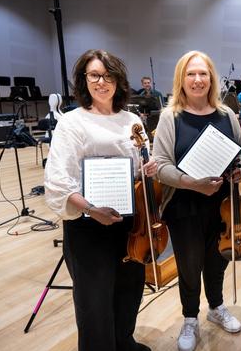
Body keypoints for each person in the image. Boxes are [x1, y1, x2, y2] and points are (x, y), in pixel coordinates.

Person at [44, 49, 156, 351]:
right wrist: (92, 210)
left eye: (108, 76)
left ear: (118, 81)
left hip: (130, 224)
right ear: (84, 80)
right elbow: (58, 181)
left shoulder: (132, 119)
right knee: (94, 299)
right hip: (89, 225)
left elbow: (139, 165)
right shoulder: (72, 122)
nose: (101, 82)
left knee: (130, 289)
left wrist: (149, 167)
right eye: (94, 75)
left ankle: (124, 341)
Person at [152, 50, 241, 351]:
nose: (197, 79)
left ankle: (216, 308)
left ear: (211, 78)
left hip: (221, 203)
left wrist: (239, 171)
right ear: (181, 79)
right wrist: (190, 183)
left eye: (203, 73)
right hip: (184, 205)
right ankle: (190, 318)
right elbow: (161, 165)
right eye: (191, 74)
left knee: (217, 260)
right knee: (189, 265)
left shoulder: (226, 115)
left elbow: (240, 153)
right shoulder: (171, 117)